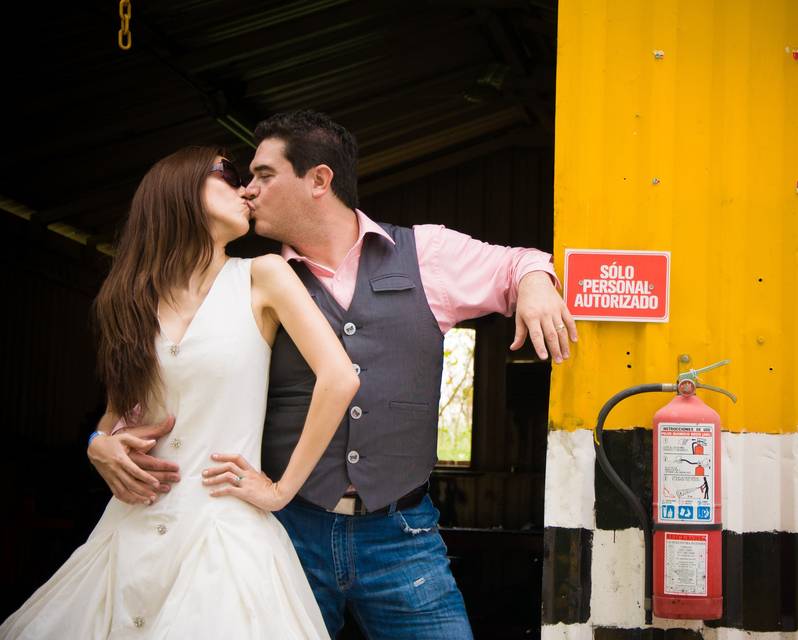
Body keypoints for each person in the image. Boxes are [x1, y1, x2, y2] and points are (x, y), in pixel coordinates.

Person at [90, 110, 578, 639]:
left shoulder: (426, 253)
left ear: (319, 179)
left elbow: (516, 262)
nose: (249, 191)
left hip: (401, 531)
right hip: (286, 527)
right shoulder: (250, 281)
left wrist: (533, 280)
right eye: (242, 179)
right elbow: (170, 378)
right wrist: (99, 439)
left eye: (264, 175)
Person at [1, 147, 359, 639]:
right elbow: (115, 417)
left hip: (224, 536)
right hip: (131, 532)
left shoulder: (263, 276)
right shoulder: (127, 300)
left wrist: (280, 492)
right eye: (228, 175)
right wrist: (96, 445)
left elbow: (340, 378)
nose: (246, 190)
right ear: (180, 190)